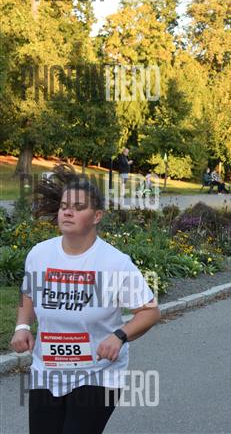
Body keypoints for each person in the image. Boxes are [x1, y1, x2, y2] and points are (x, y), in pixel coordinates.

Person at [11, 163, 160, 434]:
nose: (68, 212)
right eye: (64, 206)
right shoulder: (39, 254)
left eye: (79, 207)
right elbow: (28, 293)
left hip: (98, 373)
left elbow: (150, 311)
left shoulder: (115, 263)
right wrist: (22, 326)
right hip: (47, 370)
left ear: (97, 216)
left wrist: (119, 336)